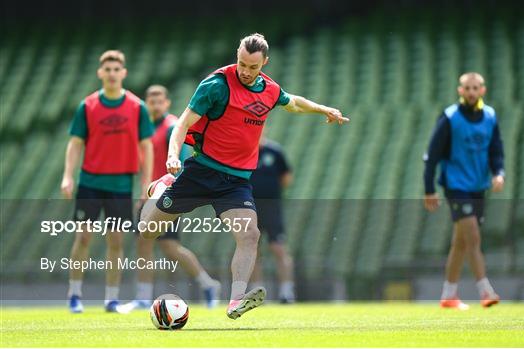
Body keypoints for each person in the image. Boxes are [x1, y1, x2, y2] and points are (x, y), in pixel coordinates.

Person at [139, 33, 349, 320]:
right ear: (236, 57)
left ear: (264, 62)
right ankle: (164, 187)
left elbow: (294, 103)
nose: (246, 72)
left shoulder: (269, 90)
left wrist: (322, 109)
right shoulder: (215, 85)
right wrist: (173, 156)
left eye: (253, 67)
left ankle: (236, 299)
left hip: (236, 181)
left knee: (250, 234)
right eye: (241, 64)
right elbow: (182, 124)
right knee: (147, 229)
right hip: (202, 172)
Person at [61, 50, 154, 313]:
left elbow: (145, 146)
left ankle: (111, 299)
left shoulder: (137, 107)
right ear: (100, 73)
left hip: (121, 185)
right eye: (108, 69)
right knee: (84, 237)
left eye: (116, 69)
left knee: (116, 241)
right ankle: (75, 295)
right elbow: (75, 143)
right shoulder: (87, 106)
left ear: (123, 73)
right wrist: (68, 176)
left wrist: (146, 182)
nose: (112, 73)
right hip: (90, 182)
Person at [119, 85, 220, 312]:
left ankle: (207, 284)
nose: (155, 105)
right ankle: (147, 297)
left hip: (166, 195)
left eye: (159, 101)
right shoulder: (144, 129)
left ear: (167, 103)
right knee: (149, 244)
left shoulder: (171, 127)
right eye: (151, 101)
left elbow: (183, 163)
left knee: (169, 247)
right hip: (148, 195)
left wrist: (169, 191)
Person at [423, 72, 504, 310]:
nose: (471, 92)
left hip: (478, 185)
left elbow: (496, 151)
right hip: (456, 185)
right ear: (460, 91)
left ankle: (449, 295)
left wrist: (499, 173)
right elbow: (432, 155)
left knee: (460, 242)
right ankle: (485, 290)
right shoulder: (450, 118)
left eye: (475, 88)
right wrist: (430, 189)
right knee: (473, 236)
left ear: (482, 90)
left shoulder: (490, 116)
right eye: (467, 88)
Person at [249, 137, 295, 303]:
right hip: (250, 208)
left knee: (278, 247)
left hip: (272, 207)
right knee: (252, 249)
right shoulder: (245, 150)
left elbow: (286, 177)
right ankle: (257, 292)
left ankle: (286, 292)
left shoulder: (274, 151)